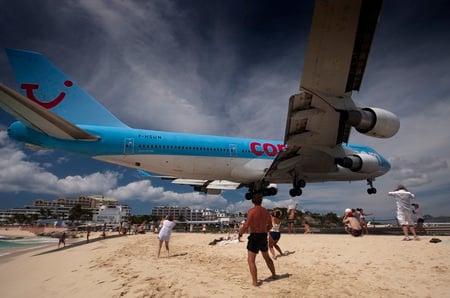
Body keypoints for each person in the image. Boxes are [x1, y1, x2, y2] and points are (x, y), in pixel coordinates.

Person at [239, 194, 277, 286]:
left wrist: (240, 233)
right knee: (266, 257)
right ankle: (274, 275)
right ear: (261, 201)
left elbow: (246, 225)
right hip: (263, 236)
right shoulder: (266, 212)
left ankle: (255, 282)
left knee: (251, 260)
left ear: (252, 201)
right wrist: (264, 231)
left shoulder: (251, 211)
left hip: (255, 236)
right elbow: (270, 226)